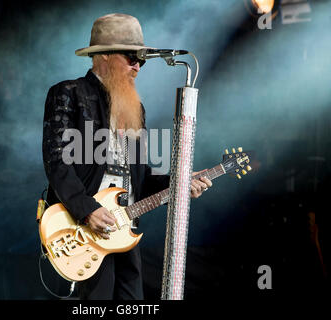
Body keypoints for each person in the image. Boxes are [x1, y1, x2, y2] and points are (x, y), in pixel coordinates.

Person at [42, 13, 212, 300]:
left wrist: (180, 181)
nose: (137, 66)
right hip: (83, 227)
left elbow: (139, 177)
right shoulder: (69, 93)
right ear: (104, 56)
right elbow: (56, 161)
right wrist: (86, 209)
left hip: (124, 227)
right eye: (131, 57)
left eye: (142, 60)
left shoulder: (135, 107)